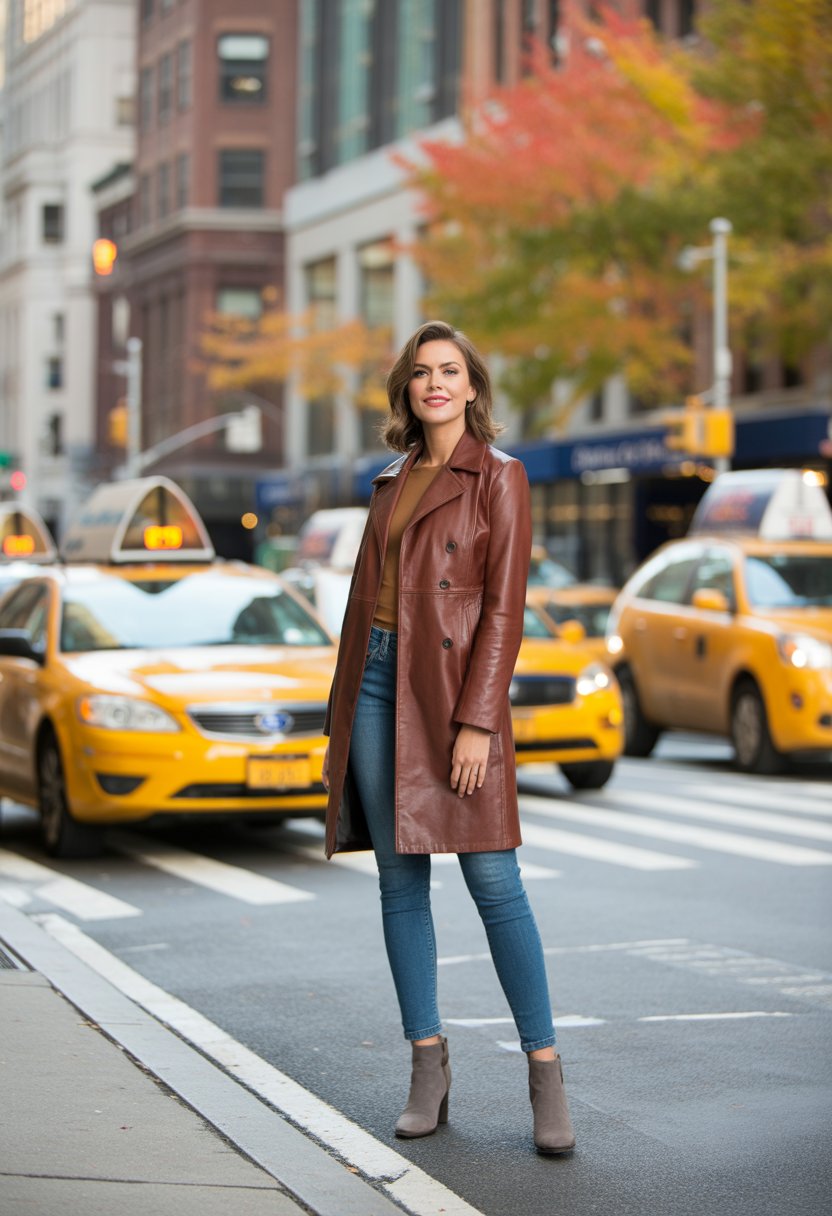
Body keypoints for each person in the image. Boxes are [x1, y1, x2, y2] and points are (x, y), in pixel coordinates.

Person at [322, 320, 575, 1155]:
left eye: (450, 371)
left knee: (495, 882)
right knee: (401, 884)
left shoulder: (500, 477)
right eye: (422, 372)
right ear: (407, 388)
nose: (435, 383)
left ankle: (545, 1070)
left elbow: (503, 609)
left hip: (451, 694)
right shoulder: (388, 482)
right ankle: (427, 1062)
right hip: (373, 680)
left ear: (472, 387)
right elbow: (370, 603)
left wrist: (477, 721)